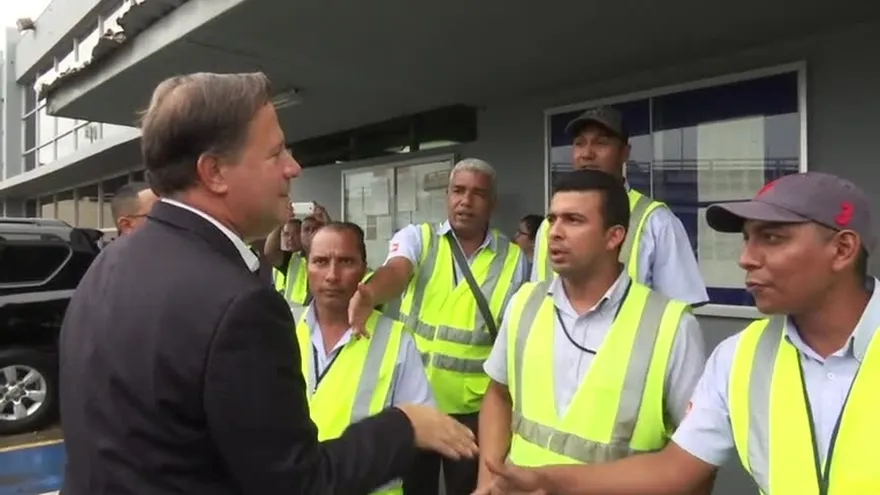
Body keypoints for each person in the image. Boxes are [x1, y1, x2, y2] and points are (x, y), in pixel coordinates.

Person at [57, 71, 477, 495]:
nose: (293, 168)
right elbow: (298, 484)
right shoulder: (239, 305)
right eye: (276, 153)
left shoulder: (106, 266)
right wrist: (403, 426)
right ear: (215, 172)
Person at [475, 171, 880, 495]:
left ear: (842, 250)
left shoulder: (669, 325)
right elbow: (678, 469)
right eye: (746, 239)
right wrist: (547, 481)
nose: (745, 259)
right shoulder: (740, 357)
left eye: (772, 238)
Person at [476, 170, 709, 494]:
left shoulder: (671, 327)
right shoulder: (524, 304)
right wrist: (487, 480)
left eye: (573, 220)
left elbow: (698, 457)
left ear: (614, 236)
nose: (554, 232)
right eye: (552, 218)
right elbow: (498, 395)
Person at [349, 158, 530, 495]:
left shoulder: (515, 260)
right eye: (458, 191)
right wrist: (371, 292)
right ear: (447, 195)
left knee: (467, 488)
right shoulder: (420, 238)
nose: (465, 200)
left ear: (493, 203)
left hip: (475, 412)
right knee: (416, 488)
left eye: (477, 193)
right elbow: (398, 272)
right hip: (417, 404)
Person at [297, 222, 435, 495]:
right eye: (321, 262)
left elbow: (424, 428)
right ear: (306, 269)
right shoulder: (282, 330)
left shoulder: (395, 340)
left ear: (364, 269)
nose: (332, 275)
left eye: (346, 262)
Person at [531, 106, 707, 306]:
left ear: (625, 152)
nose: (586, 154)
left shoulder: (656, 221)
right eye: (579, 143)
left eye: (601, 143)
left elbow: (678, 311)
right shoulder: (548, 226)